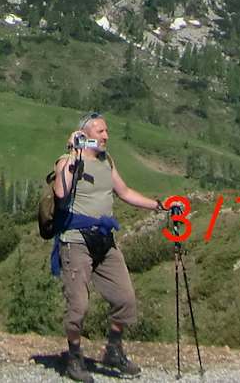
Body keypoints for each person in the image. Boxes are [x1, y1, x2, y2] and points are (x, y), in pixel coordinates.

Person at [49, 112, 167, 381]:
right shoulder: (67, 161)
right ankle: (74, 357)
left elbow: (124, 192)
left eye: (106, 131)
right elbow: (61, 192)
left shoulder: (107, 162)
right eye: (100, 131)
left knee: (125, 299)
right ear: (85, 135)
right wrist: (74, 154)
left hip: (104, 240)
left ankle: (113, 349)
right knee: (78, 306)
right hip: (76, 241)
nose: (106, 136)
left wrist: (159, 205)